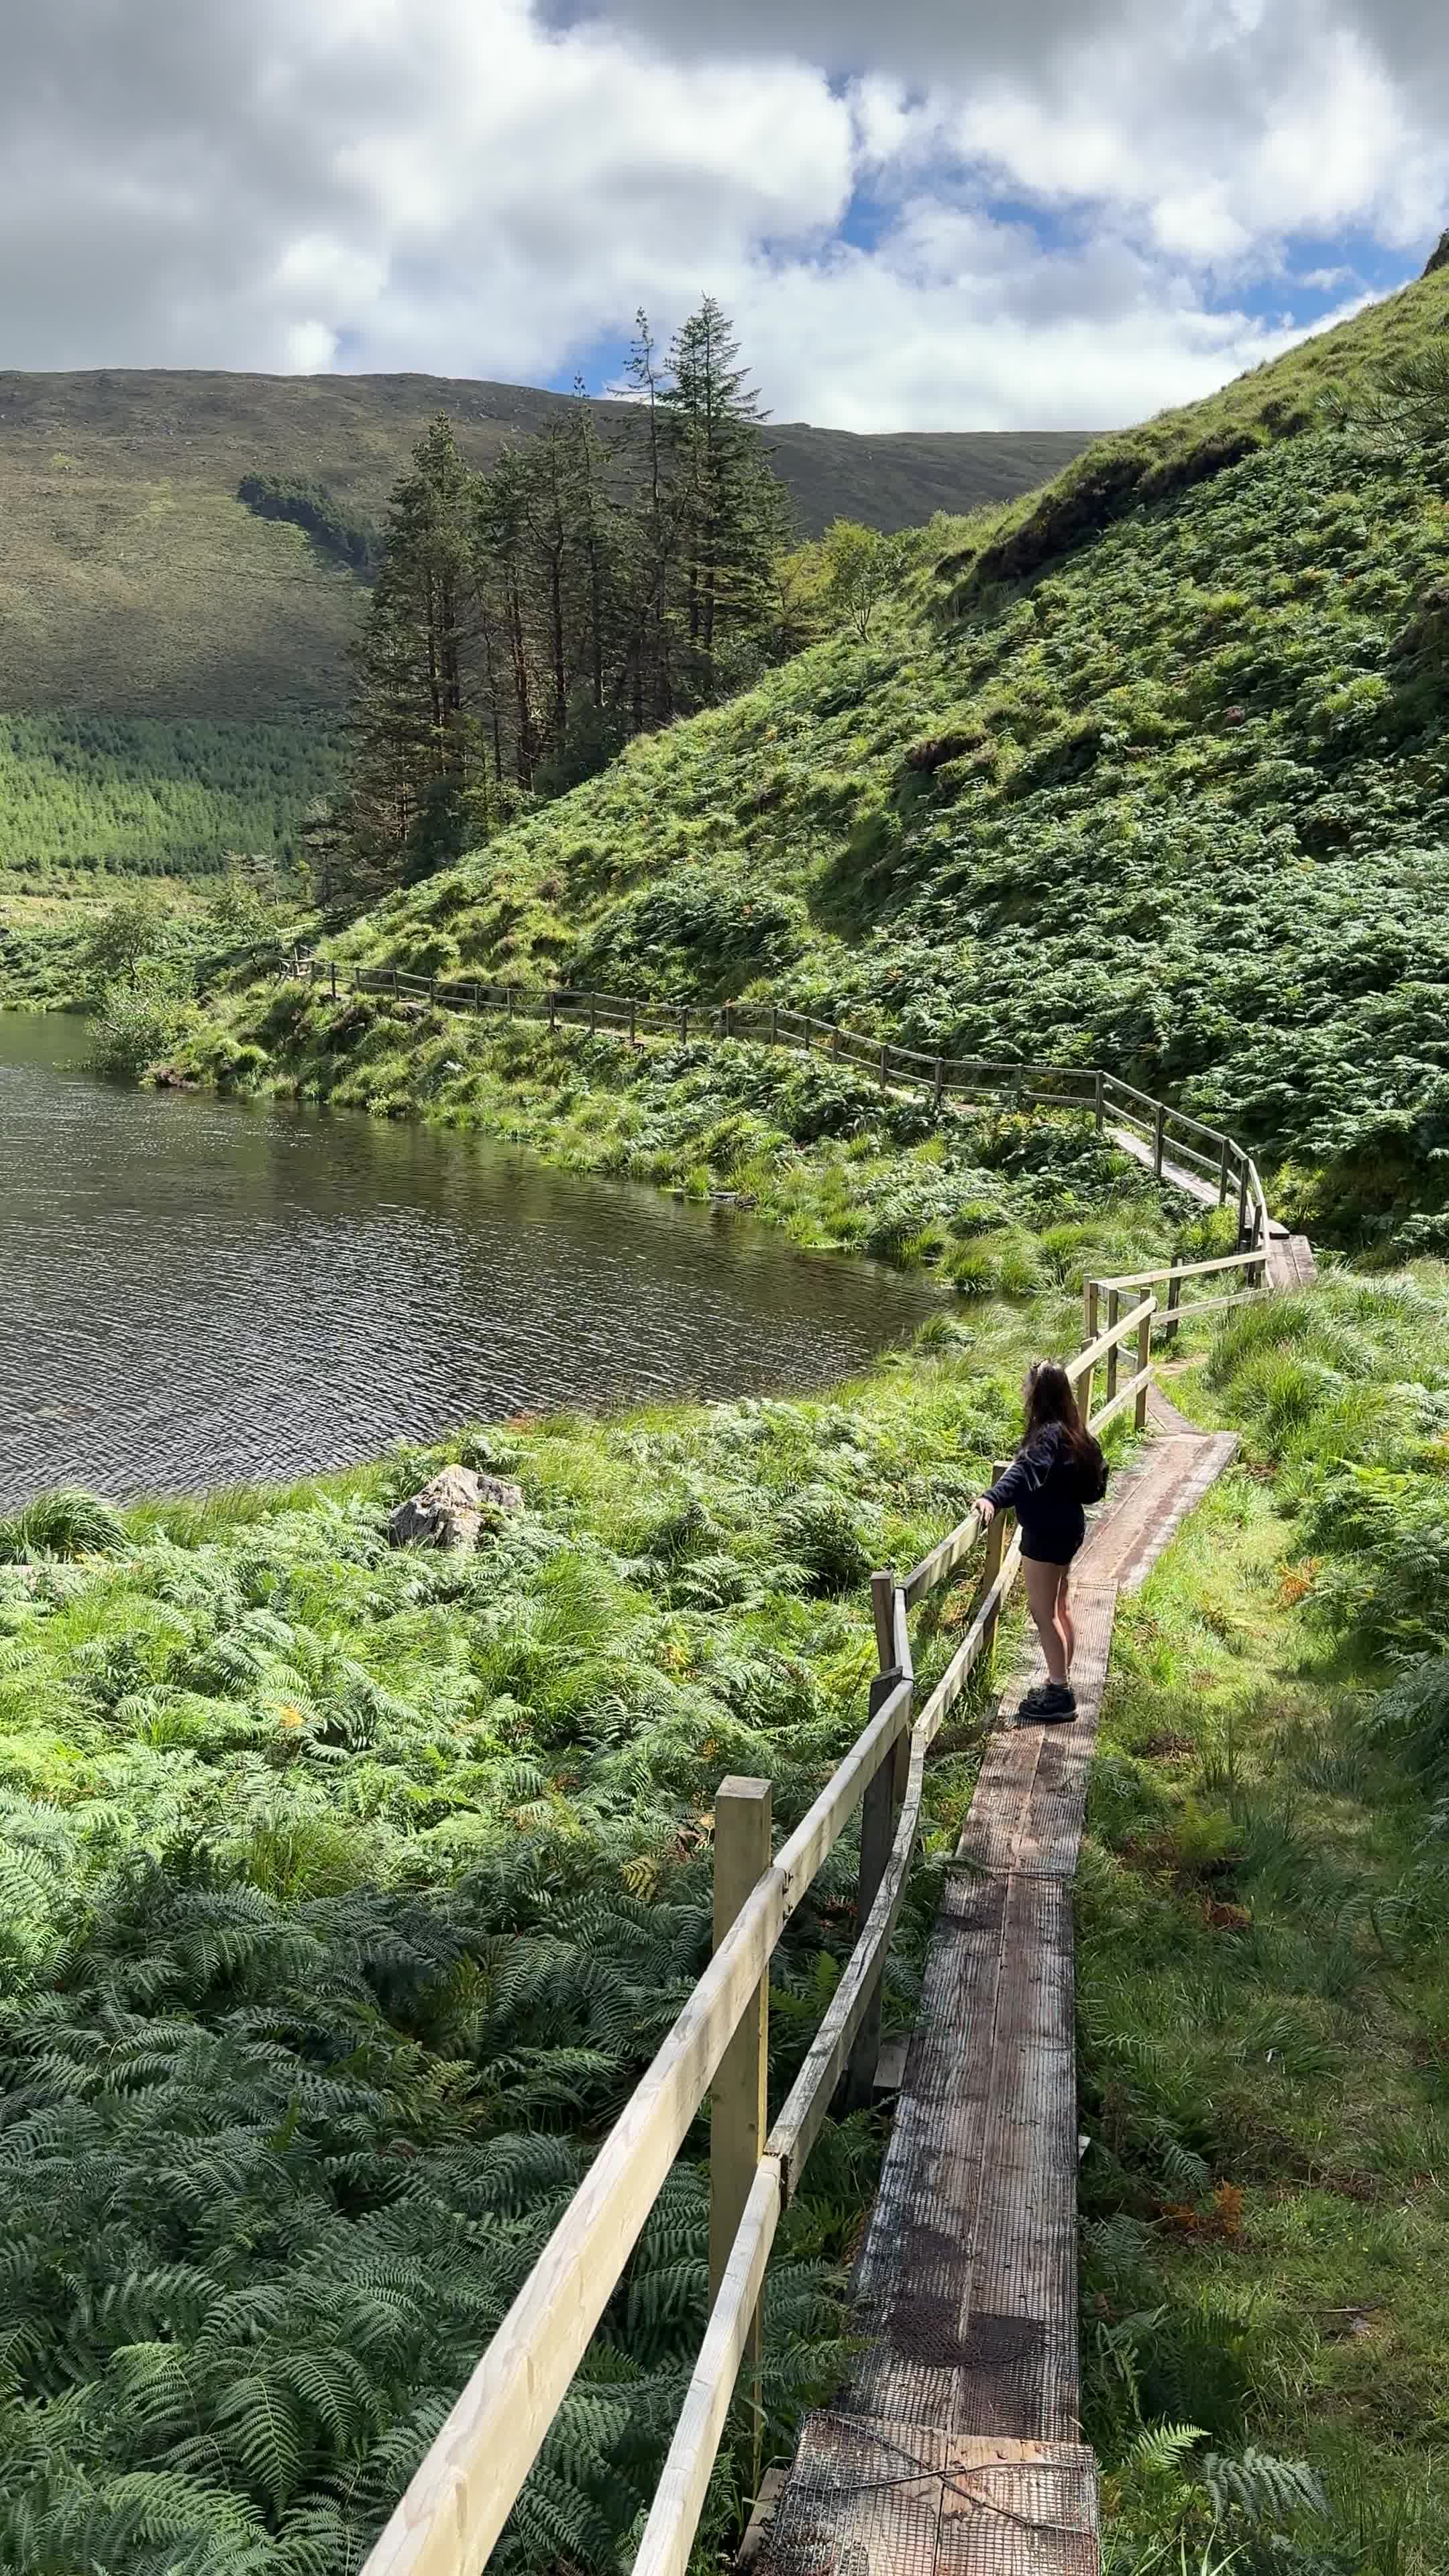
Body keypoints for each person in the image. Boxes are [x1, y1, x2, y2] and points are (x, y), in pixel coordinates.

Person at [979, 1360, 1107, 1725]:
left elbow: (1023, 1471)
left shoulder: (1047, 1435)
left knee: (1043, 1612)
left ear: (1039, 1393)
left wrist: (993, 1498)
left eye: (1027, 1383)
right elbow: (1096, 1480)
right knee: (1060, 1605)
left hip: (1047, 1534)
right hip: (1067, 1528)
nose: (1023, 1387)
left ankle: (1060, 1694)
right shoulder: (1073, 1430)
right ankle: (1059, 1681)